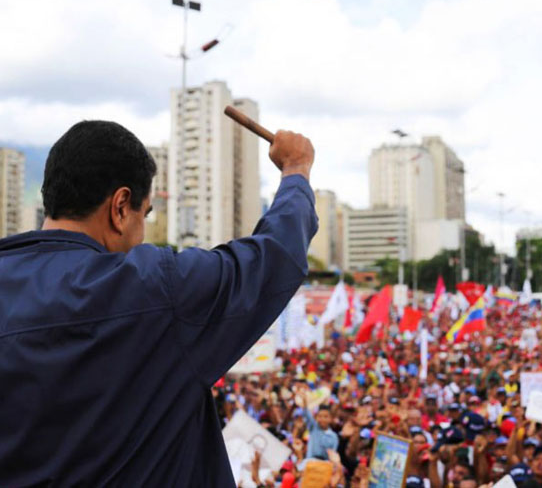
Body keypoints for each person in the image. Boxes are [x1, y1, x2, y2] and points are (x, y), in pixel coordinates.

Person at [0, 120, 317, 485]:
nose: (142, 230)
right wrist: (296, 171)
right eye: (145, 213)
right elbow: (273, 258)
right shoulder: (155, 288)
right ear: (120, 207)